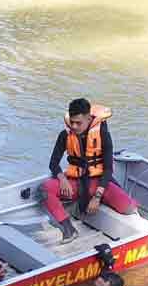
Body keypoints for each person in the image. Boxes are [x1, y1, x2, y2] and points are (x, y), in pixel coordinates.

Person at [42, 98, 139, 243]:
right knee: (46, 188)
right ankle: (69, 229)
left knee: (129, 209)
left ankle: (104, 200)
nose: (74, 126)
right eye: (72, 122)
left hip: (99, 183)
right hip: (76, 182)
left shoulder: (102, 134)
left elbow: (108, 169)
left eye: (78, 123)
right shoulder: (65, 135)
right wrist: (62, 179)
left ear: (88, 118)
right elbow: (53, 163)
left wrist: (97, 197)